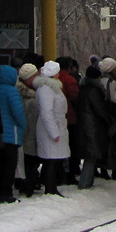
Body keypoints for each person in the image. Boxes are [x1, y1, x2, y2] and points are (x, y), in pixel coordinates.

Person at [34, 61, 70, 196]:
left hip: (57, 125)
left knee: (54, 159)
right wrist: (54, 132)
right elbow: (46, 113)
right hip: (50, 128)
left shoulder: (52, 88)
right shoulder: (46, 89)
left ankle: (52, 187)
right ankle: (50, 188)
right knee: (50, 160)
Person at [0, 63, 26, 204]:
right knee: (10, 165)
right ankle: (6, 193)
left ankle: (1, 190)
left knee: (2, 163)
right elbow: (18, 112)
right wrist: (24, 125)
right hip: (12, 133)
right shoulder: (12, 92)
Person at [76, 65, 111, 189]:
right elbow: (100, 109)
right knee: (91, 156)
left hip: (86, 125)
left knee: (90, 155)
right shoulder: (94, 91)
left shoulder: (83, 88)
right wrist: (108, 119)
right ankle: (85, 183)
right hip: (92, 126)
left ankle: (87, 181)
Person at [17, 63, 41, 197]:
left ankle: (27, 183)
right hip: (28, 131)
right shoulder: (28, 97)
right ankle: (28, 184)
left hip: (28, 131)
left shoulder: (27, 93)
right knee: (29, 159)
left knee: (28, 159)